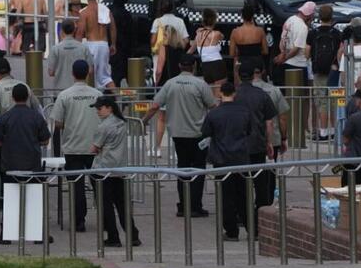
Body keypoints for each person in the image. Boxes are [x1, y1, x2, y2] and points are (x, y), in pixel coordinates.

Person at [142, 54, 217, 216]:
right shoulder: (200, 84)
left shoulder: (170, 84)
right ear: (194, 66)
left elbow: (155, 105)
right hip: (198, 134)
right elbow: (212, 106)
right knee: (197, 170)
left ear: (179, 66)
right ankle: (195, 206)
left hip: (177, 134)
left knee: (182, 168)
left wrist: (144, 120)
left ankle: (183, 205)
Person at [50, 60, 103, 231]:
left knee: (76, 185)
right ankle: (105, 218)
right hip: (94, 145)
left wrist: (69, 125)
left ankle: (79, 221)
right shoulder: (97, 94)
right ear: (88, 73)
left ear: (72, 74)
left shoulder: (64, 95)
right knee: (99, 183)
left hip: (73, 145)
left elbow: (57, 122)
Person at [200, 81, 252, 240]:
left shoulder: (214, 114)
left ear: (220, 93)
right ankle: (252, 228)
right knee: (244, 195)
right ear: (234, 93)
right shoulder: (244, 111)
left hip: (222, 159)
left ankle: (231, 231)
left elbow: (205, 132)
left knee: (225, 197)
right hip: (241, 158)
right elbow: (249, 131)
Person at [90, 95, 141, 247]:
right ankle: (133, 235)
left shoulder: (103, 126)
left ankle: (113, 236)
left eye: (100, 108)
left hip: (103, 169)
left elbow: (94, 148)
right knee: (122, 204)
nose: (97, 111)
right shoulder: (122, 122)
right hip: (120, 169)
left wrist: (97, 149)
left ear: (109, 108)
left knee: (105, 205)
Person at [235, 60, 280, 227]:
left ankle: (242, 216)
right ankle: (260, 215)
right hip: (258, 144)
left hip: (238, 146)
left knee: (240, 183)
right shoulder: (262, 95)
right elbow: (269, 123)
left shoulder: (234, 95)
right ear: (254, 76)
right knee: (260, 182)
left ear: (239, 76)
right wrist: (269, 142)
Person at [307, 4, 340, 139]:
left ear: (319, 17)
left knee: (322, 101)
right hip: (333, 71)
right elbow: (340, 52)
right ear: (332, 17)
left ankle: (323, 132)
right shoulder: (337, 33)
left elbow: (307, 52)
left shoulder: (313, 33)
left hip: (318, 72)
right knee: (334, 101)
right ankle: (334, 131)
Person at [273, 1, 313, 86]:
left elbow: (282, 39)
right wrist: (284, 58)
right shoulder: (303, 27)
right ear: (310, 15)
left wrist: (282, 54)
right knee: (299, 97)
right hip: (298, 65)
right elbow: (296, 49)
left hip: (285, 64)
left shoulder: (290, 20)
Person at [47, 20, 94, 92]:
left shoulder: (55, 49)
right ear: (74, 30)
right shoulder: (83, 48)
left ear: (61, 30)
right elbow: (90, 70)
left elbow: (51, 72)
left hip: (60, 90)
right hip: (80, 91)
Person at [230, 0, 267, 83]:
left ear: (242, 16)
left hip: (243, 64)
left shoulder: (235, 32)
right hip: (257, 63)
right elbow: (265, 51)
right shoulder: (260, 31)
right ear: (252, 16)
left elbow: (232, 54)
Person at [193, 8, 226, 94]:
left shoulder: (198, 34)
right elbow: (222, 37)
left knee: (210, 96)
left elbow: (191, 48)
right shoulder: (217, 34)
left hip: (205, 66)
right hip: (217, 64)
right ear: (214, 20)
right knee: (219, 94)